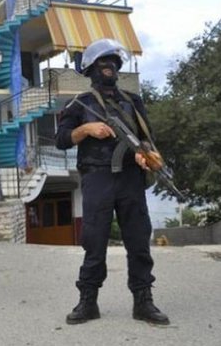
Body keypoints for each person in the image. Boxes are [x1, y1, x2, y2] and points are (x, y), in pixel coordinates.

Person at [55, 38, 170, 325]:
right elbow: (61, 139)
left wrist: (146, 154)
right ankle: (88, 301)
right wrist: (86, 129)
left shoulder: (132, 101)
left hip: (130, 178)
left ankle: (143, 301)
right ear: (91, 68)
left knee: (138, 240)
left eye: (114, 62)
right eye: (103, 62)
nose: (110, 66)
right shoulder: (79, 104)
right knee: (94, 241)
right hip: (97, 177)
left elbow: (146, 137)